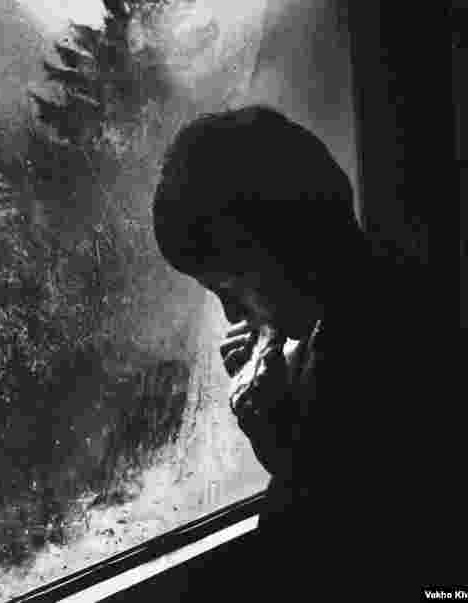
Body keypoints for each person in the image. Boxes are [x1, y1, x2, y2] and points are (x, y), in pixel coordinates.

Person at [151, 104, 420, 590]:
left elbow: (340, 536)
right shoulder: (354, 315)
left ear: (289, 248)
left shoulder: (376, 351)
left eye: (230, 289)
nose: (233, 315)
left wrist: (274, 432)